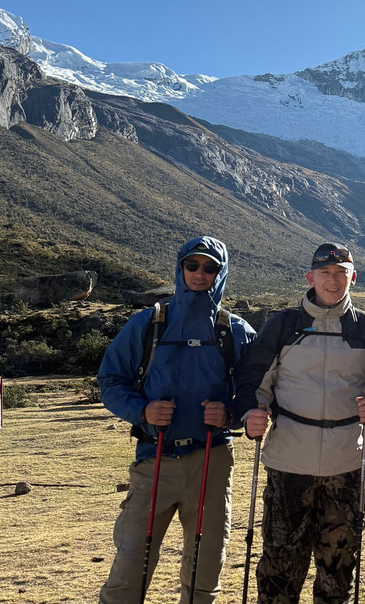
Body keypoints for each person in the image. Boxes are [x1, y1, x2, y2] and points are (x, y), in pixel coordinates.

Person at [235, 243, 365, 604]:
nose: (333, 280)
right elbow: (251, 383)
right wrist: (251, 415)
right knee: (279, 570)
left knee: (338, 574)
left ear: (352, 278)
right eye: (325, 273)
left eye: (341, 274)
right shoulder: (284, 326)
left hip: (347, 465)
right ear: (310, 277)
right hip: (288, 464)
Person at [97, 236, 256, 604]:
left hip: (212, 461)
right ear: (180, 268)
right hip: (155, 458)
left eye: (210, 267)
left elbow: (255, 391)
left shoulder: (234, 331)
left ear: (221, 273)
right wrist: (143, 411)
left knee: (206, 566)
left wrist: (230, 413)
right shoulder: (149, 324)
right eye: (193, 265)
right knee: (130, 564)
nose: (200, 274)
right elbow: (111, 380)